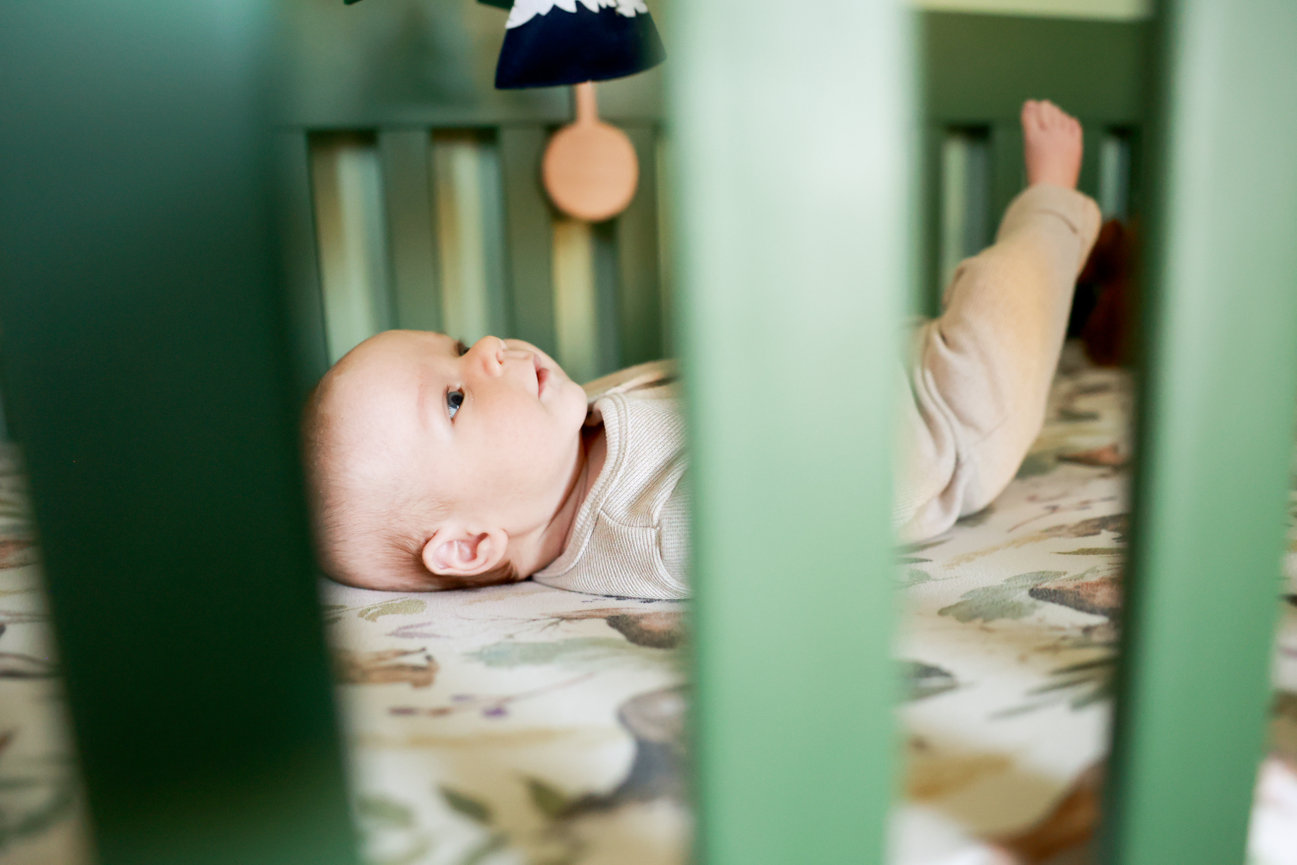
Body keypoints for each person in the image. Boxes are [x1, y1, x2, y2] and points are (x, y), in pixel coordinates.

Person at [303, 100, 1101, 599]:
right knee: (1001, 296)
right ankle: (1055, 207)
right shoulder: (658, 534)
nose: (482, 349)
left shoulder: (564, 447)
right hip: (943, 433)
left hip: (872, 375)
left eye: (452, 343)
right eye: (453, 397)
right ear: (471, 544)